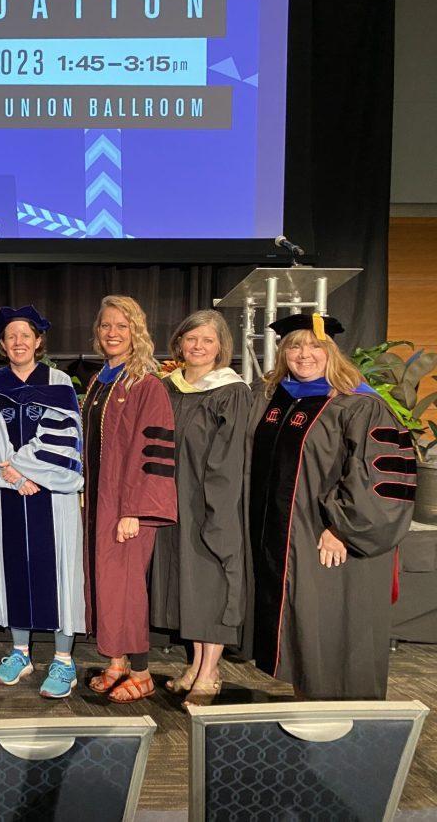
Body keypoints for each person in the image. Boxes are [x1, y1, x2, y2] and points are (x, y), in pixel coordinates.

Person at [248, 313, 414, 700]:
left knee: (336, 620)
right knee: (307, 621)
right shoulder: (279, 399)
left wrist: (342, 527)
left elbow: (380, 475)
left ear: (331, 351)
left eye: (314, 346)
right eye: (294, 346)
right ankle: (308, 698)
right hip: (291, 534)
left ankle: (348, 715)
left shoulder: (359, 404)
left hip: (333, 535)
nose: (304, 354)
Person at [0, 306, 86, 697]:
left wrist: (25, 472)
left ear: (38, 341)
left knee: (59, 571)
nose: (18, 342)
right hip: (9, 493)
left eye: (25, 335)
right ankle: (20, 652)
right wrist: (11, 478)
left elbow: (63, 438)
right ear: (2, 344)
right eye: (11, 336)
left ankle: (64, 660)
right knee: (13, 567)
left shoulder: (59, 381)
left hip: (53, 497)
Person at [149, 309, 251, 707]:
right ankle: (195, 664)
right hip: (173, 499)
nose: (198, 347)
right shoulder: (168, 387)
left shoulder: (231, 390)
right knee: (189, 588)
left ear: (221, 347)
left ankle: (211, 671)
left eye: (207, 340)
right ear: (180, 343)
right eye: (191, 339)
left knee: (210, 585)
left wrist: (217, 511)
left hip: (209, 503)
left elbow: (228, 459)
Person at [82, 295, 177, 704]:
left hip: (127, 506)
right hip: (101, 501)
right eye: (106, 326)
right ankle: (116, 661)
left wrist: (135, 510)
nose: (113, 333)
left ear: (136, 331)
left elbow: (154, 451)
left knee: (126, 587)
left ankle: (141, 671)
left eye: (122, 326)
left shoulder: (146, 383)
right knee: (106, 584)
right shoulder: (102, 380)